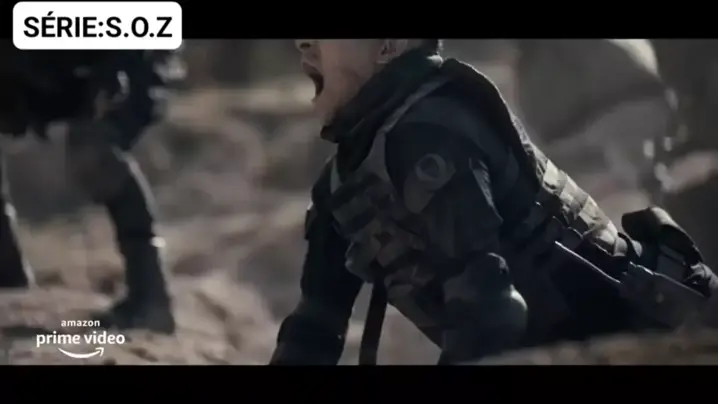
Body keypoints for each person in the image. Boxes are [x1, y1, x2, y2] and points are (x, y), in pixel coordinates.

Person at [268, 39, 718, 365]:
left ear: (388, 45)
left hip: (645, 322)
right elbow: (314, 328)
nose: (303, 43)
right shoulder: (341, 180)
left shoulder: (432, 134)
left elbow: (490, 312)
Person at [0, 47, 182, 334]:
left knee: (93, 152)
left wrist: (115, 68)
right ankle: (8, 278)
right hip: (34, 66)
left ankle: (151, 297)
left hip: (124, 57)